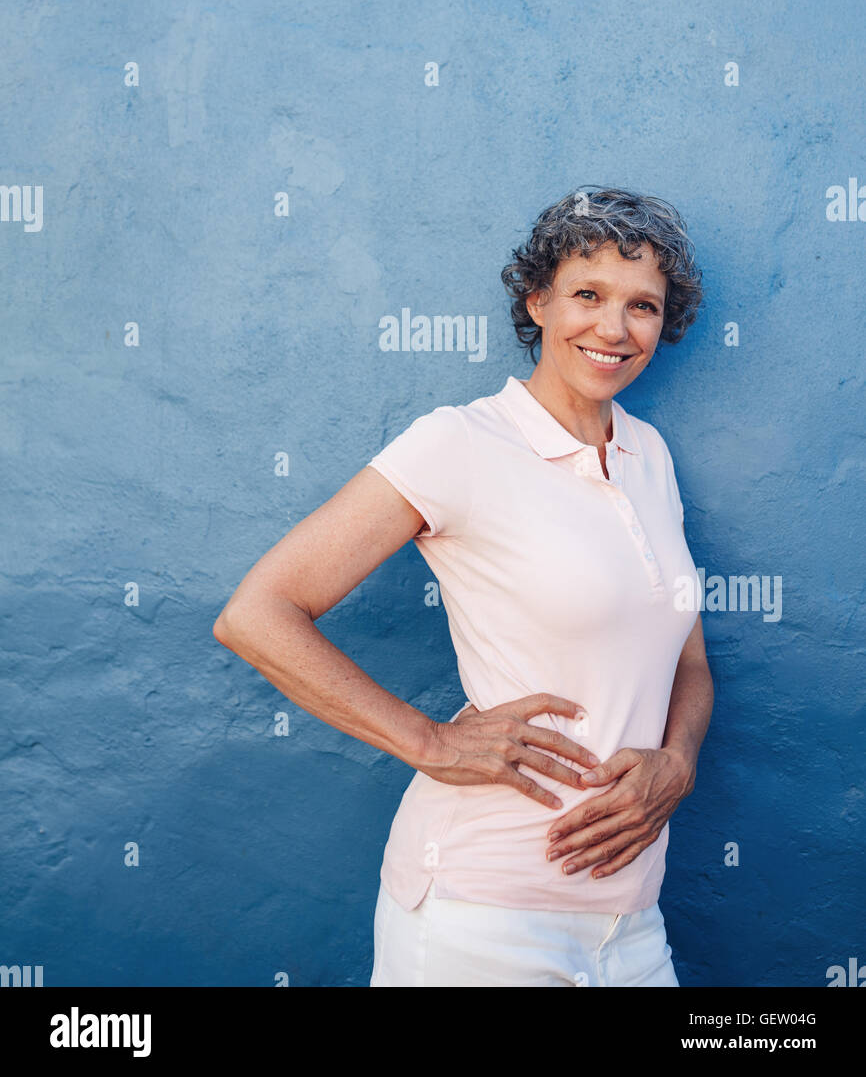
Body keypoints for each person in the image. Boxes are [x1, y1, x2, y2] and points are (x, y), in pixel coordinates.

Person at [213, 185, 714, 987]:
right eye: (588, 295)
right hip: (479, 923)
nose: (614, 329)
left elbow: (685, 657)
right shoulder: (461, 444)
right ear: (538, 301)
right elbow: (257, 614)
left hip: (629, 925)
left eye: (643, 306)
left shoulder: (650, 454)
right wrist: (429, 741)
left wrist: (678, 762)